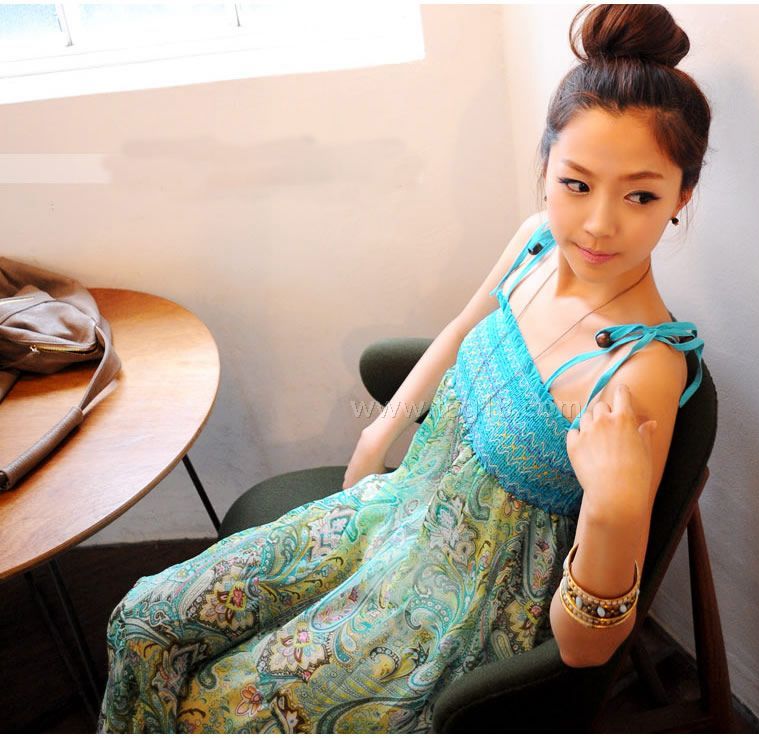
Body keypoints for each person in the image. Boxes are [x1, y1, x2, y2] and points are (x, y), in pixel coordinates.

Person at [98, 3, 712, 733]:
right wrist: (377, 434)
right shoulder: (536, 243)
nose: (599, 224)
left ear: (682, 196)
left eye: (640, 195)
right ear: (546, 167)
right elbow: (461, 329)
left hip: (451, 611)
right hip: (394, 513)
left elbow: (588, 651)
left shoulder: (639, 373)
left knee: (214, 713)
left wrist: (612, 509)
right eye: (576, 183)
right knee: (142, 620)